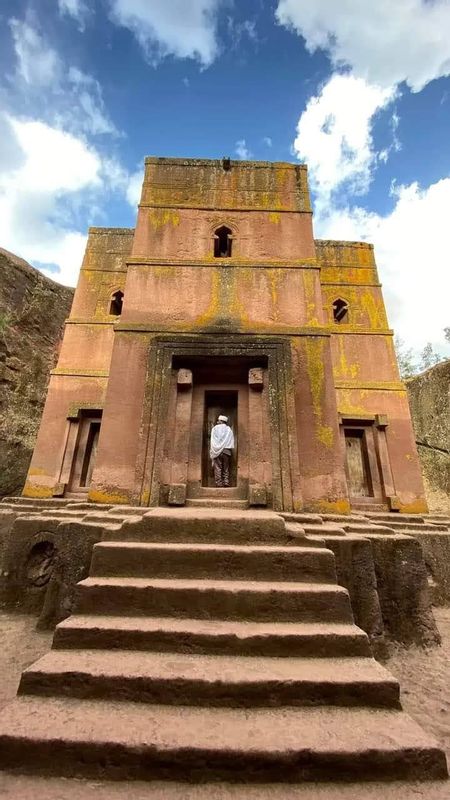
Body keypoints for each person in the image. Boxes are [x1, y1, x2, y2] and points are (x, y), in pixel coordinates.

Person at [210, 414, 234, 487]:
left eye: (218, 421)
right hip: (226, 451)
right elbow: (230, 440)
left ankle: (219, 483)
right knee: (226, 467)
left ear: (221, 421)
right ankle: (226, 481)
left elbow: (213, 440)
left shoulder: (215, 428)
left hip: (216, 451)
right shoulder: (229, 429)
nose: (217, 422)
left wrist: (215, 448)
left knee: (218, 467)